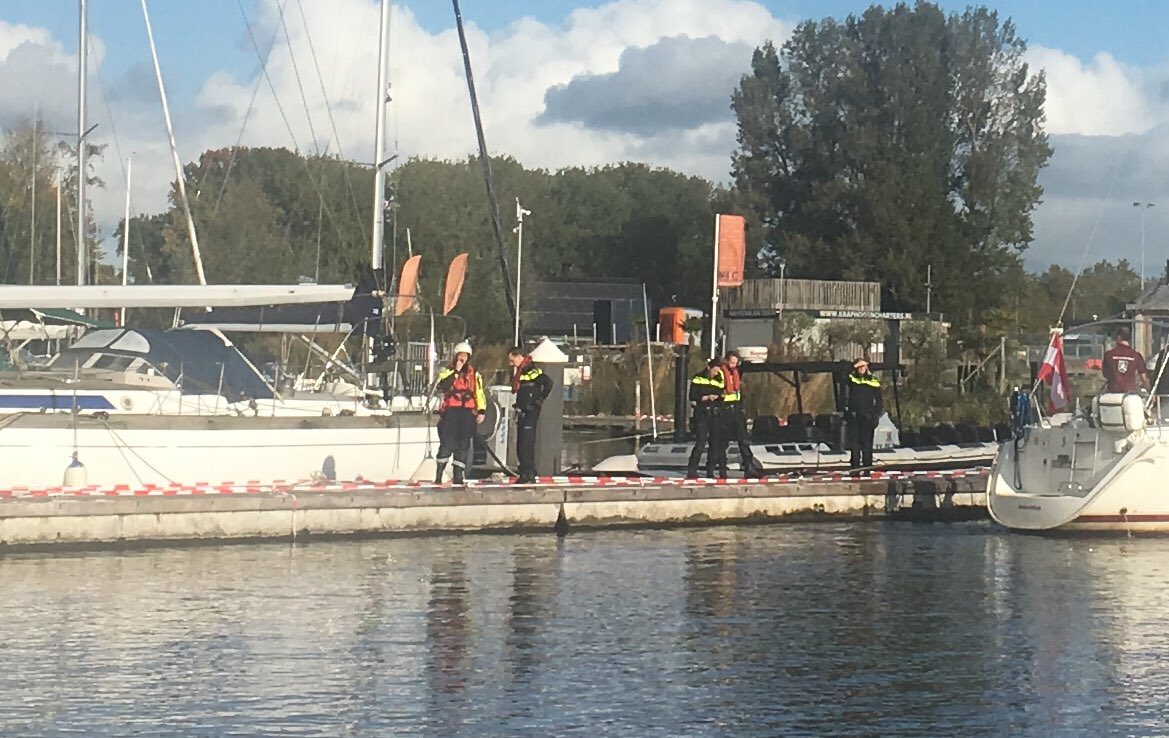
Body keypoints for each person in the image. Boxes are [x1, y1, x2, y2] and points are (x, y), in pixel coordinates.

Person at [434, 341, 486, 485]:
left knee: (463, 444)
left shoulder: (474, 374)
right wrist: (456, 371)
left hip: (467, 412)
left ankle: (458, 474)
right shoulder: (448, 371)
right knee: (447, 442)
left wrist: (481, 410)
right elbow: (443, 385)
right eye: (460, 355)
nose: (462, 358)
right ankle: (439, 474)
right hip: (451, 411)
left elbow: (479, 393)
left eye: (465, 356)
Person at [509, 347, 553, 484]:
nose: (511, 364)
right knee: (520, 444)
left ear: (519, 357)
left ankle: (529, 474)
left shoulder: (531, 370)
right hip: (522, 412)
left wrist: (538, 400)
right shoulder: (521, 372)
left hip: (530, 412)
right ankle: (524, 472)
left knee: (526, 444)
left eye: (512, 360)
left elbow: (548, 383)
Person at [720, 350, 762, 478]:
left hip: (737, 410)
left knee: (743, 440)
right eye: (731, 362)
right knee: (722, 442)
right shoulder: (721, 373)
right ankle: (721, 469)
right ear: (726, 361)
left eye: (735, 363)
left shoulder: (737, 372)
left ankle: (748, 466)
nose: (733, 365)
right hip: (724, 409)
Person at [685, 360, 727, 479]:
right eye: (714, 370)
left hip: (715, 413)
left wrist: (720, 397)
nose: (715, 373)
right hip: (702, 413)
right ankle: (692, 470)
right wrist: (706, 397)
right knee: (701, 442)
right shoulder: (698, 378)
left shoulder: (718, 380)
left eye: (718, 371)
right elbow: (692, 395)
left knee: (715, 443)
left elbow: (722, 394)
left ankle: (710, 471)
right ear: (709, 368)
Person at [845, 358, 882, 472]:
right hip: (855, 416)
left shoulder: (873, 381)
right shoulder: (851, 380)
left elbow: (879, 400)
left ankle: (867, 470)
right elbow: (845, 396)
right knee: (855, 446)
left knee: (867, 446)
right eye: (859, 367)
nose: (861, 369)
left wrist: (875, 414)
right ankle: (855, 470)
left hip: (868, 417)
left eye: (863, 366)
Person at [1102, 326, 1148, 393]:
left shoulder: (1109, 355)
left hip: (1113, 391)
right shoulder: (1136, 355)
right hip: (1130, 392)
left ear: (1119, 337)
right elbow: (1143, 377)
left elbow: (1105, 374)